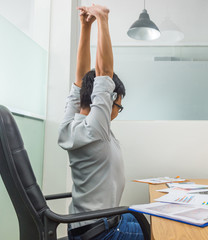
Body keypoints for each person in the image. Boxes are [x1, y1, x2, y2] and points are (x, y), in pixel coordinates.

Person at [58, 4, 143, 240]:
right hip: (103, 232)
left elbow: (80, 78)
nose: (116, 112)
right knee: (162, 231)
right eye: (118, 106)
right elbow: (104, 72)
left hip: (80, 228)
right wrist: (103, 21)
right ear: (110, 99)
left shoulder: (70, 125)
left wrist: (85, 28)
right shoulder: (97, 127)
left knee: (143, 214)